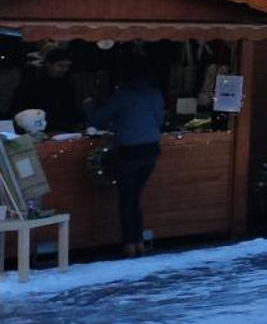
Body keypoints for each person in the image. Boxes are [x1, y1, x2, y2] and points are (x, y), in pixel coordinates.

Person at [86, 63, 166, 257]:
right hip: (152, 150)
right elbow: (160, 121)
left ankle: (130, 243)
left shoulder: (122, 96)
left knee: (127, 198)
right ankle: (138, 241)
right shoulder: (155, 94)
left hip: (130, 150)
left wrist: (88, 104)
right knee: (135, 196)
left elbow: (98, 119)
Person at [11, 48, 84, 132]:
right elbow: (20, 109)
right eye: (60, 66)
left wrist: (79, 120)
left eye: (67, 66)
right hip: (37, 129)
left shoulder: (67, 84)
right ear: (49, 64)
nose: (65, 69)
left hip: (62, 128)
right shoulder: (31, 84)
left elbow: (71, 105)